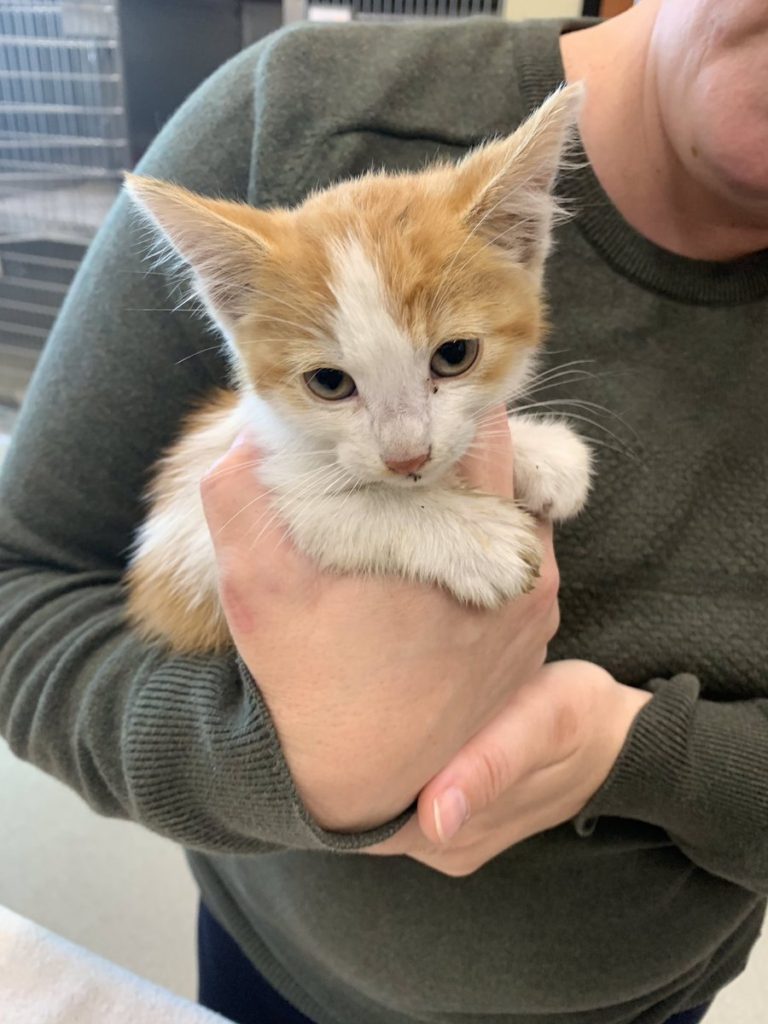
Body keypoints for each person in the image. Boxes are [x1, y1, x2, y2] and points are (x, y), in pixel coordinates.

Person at [0, 2, 766, 1023]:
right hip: (276, 967)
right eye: (330, 382)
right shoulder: (290, 110)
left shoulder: (479, 252)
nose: (408, 448)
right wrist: (306, 769)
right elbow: (59, 581)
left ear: (526, 241)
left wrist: (629, 749)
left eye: (453, 358)